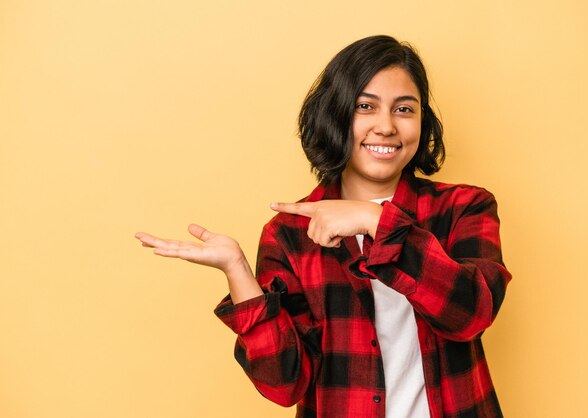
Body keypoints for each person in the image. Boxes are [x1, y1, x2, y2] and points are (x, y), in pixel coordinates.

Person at [135, 35, 512, 418]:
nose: (385, 126)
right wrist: (239, 275)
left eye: (404, 109)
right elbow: (285, 384)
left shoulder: (465, 207)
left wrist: (376, 220)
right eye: (365, 106)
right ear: (336, 114)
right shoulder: (288, 234)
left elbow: (470, 315)